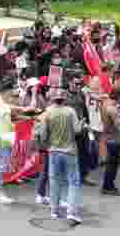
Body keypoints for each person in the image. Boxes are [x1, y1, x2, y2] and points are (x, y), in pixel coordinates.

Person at [44, 87, 82, 225]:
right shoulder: (70, 112)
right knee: (73, 182)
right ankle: (71, 213)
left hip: (53, 151)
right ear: (65, 99)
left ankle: (54, 210)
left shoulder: (48, 112)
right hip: (69, 151)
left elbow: (43, 133)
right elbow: (77, 130)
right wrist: (82, 124)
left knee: (54, 181)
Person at [100, 86, 120, 196]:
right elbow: (119, 125)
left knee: (111, 163)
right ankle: (108, 186)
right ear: (118, 96)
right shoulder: (112, 109)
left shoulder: (107, 105)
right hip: (113, 138)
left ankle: (108, 185)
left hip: (108, 136)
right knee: (112, 164)